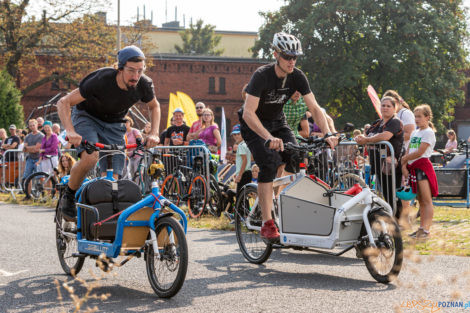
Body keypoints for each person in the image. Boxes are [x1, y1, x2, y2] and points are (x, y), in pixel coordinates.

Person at [240, 32, 337, 242]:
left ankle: (276, 198)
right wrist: (267, 138)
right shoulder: (262, 75)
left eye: (295, 57)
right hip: (254, 124)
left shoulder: (298, 76)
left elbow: (315, 107)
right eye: (287, 57)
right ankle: (267, 223)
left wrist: (328, 133)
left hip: (278, 121)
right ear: (276, 54)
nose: (291, 61)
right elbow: (248, 113)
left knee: (297, 157)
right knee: (269, 163)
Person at [57, 45, 161, 221]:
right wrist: (70, 130)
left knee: (114, 178)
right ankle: (68, 195)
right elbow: (63, 102)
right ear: (120, 68)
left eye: (140, 71)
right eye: (131, 70)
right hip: (87, 116)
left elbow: (154, 106)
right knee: (91, 157)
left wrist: (155, 133)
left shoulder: (144, 84)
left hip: (114, 123)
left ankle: (106, 218)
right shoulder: (101, 79)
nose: (136, 76)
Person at [355, 96, 404, 217]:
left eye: (388, 106)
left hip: (390, 165)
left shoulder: (395, 122)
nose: (385, 108)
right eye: (383, 105)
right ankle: (391, 220)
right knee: (385, 194)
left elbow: (385, 136)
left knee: (393, 194)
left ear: (394, 108)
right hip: (377, 163)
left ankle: (399, 222)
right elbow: (367, 134)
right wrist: (360, 138)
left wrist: (366, 139)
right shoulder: (377, 123)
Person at [401, 104, 438, 239]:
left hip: (422, 167)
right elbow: (409, 149)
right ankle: (421, 228)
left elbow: (420, 151)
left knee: (426, 200)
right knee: (420, 200)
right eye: (415, 116)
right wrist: (404, 165)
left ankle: (426, 231)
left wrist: (404, 159)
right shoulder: (415, 132)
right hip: (413, 168)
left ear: (427, 117)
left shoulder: (428, 132)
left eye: (419, 116)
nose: (416, 119)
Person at [22, 119, 44, 195]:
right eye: (30, 126)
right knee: (28, 177)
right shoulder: (27, 136)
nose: (32, 127)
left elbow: (37, 149)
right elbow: (24, 149)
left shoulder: (41, 136)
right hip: (30, 159)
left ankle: (42, 194)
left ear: (37, 125)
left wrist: (29, 148)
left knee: (40, 176)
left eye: (33, 125)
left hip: (39, 159)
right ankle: (28, 195)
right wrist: (32, 148)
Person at [231, 124, 252, 195]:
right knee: (244, 196)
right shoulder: (246, 144)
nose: (236, 136)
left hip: (244, 174)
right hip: (248, 172)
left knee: (239, 197)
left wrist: (239, 175)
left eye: (238, 134)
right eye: (234, 134)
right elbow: (250, 159)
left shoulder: (240, 146)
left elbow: (245, 160)